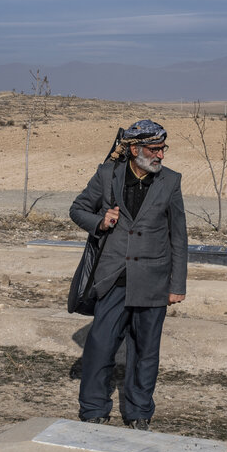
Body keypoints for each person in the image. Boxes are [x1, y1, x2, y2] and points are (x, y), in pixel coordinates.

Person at [69, 119, 187, 430]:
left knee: (146, 351)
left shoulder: (171, 182)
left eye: (163, 149)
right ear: (135, 150)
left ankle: (138, 412)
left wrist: (177, 285)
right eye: (154, 149)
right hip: (114, 278)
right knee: (100, 345)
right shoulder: (107, 175)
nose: (160, 155)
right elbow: (77, 209)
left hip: (153, 280)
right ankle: (93, 408)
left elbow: (179, 236)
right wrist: (101, 221)